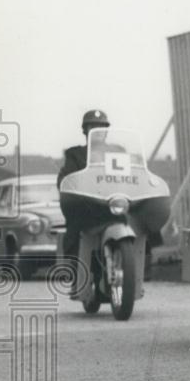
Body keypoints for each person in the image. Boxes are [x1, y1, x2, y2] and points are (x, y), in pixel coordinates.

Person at [57, 109, 111, 293]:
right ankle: (76, 276)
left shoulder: (117, 152)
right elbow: (65, 178)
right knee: (74, 228)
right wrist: (69, 186)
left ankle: (143, 266)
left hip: (113, 203)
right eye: (93, 127)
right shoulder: (76, 155)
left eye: (102, 127)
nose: (98, 131)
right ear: (85, 131)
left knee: (140, 220)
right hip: (87, 205)